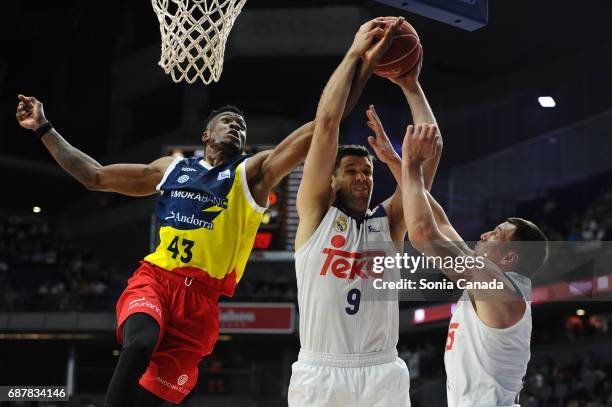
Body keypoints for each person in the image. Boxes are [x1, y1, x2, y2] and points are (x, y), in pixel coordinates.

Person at [15, 56, 369, 406]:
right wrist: (44, 128)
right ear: (206, 134)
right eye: (228, 121)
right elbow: (95, 176)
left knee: (149, 399)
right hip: (156, 280)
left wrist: (362, 64)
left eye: (241, 126)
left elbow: (324, 123)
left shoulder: (253, 175)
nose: (237, 127)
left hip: (201, 305)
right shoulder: (170, 169)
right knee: (139, 344)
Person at [289, 16, 442, 406]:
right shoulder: (314, 216)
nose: (362, 177)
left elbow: (429, 152)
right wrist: (356, 55)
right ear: (334, 180)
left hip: (381, 372)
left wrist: (411, 86)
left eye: (368, 171)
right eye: (351, 170)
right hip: (320, 371)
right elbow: (326, 124)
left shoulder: (388, 223)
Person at [399, 123, 549, 406]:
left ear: (509, 258)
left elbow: (421, 234)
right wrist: (398, 163)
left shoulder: (497, 286)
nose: (484, 235)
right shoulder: (493, 282)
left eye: (498, 233)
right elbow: (441, 222)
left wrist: (411, 164)